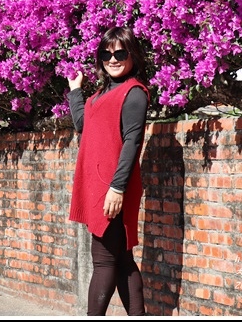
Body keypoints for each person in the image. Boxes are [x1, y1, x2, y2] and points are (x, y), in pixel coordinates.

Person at [67, 26, 150, 316]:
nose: (112, 59)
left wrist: (117, 188)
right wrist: (75, 90)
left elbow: (132, 143)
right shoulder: (102, 93)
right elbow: (83, 125)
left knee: (103, 261)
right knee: (123, 260)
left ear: (132, 55)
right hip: (101, 186)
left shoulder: (134, 93)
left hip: (113, 189)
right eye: (106, 53)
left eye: (120, 53)